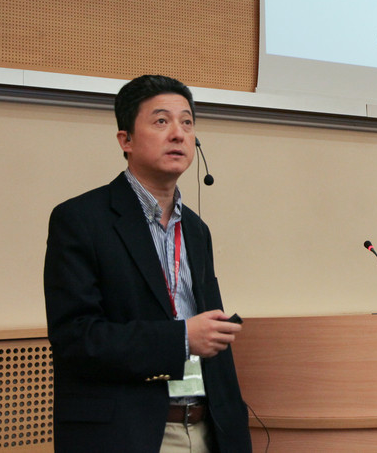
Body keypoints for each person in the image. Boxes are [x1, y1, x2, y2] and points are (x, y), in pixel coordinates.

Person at [44, 75, 252, 452]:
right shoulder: (80, 219)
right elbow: (76, 339)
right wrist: (181, 339)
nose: (178, 134)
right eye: (161, 121)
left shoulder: (196, 230)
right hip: (130, 433)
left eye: (187, 122)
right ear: (125, 140)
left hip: (207, 428)